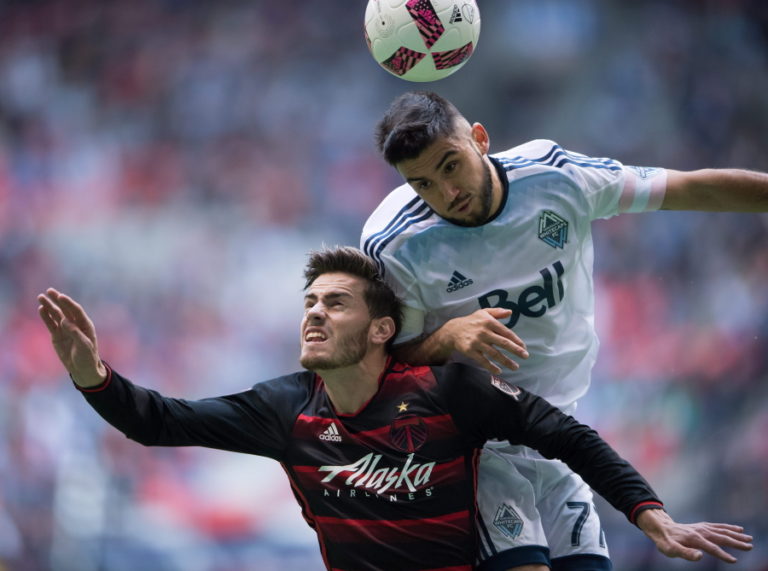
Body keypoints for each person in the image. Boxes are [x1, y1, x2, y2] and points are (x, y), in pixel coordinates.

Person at [38, 246, 751, 571]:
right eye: (310, 302)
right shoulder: (284, 407)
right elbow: (160, 421)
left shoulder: (449, 392)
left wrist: (649, 512)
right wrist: (94, 375)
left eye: (335, 303)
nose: (314, 314)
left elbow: (564, 434)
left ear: (382, 329)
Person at [360, 90, 768, 570]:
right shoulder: (395, 245)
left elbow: (689, 188)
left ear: (480, 139)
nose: (446, 194)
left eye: (450, 166)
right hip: (470, 447)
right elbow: (377, 373)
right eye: (422, 184)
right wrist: (445, 339)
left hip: (558, 436)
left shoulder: (556, 176)